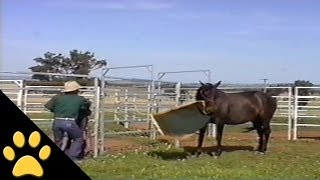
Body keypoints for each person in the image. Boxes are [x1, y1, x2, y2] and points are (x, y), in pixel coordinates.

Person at [44, 80, 90, 161]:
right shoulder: (80, 99)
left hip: (57, 121)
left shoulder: (57, 97)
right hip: (70, 122)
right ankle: (72, 157)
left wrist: (58, 111)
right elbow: (84, 110)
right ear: (76, 90)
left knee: (58, 140)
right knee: (78, 138)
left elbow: (48, 106)